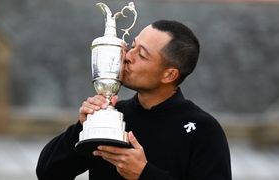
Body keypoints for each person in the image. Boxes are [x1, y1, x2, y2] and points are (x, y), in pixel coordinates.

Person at [36, 20, 232, 180]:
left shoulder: (203, 129)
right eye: (132, 46)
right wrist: (82, 127)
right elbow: (48, 172)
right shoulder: (115, 115)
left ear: (169, 75)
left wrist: (144, 174)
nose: (128, 56)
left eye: (142, 55)